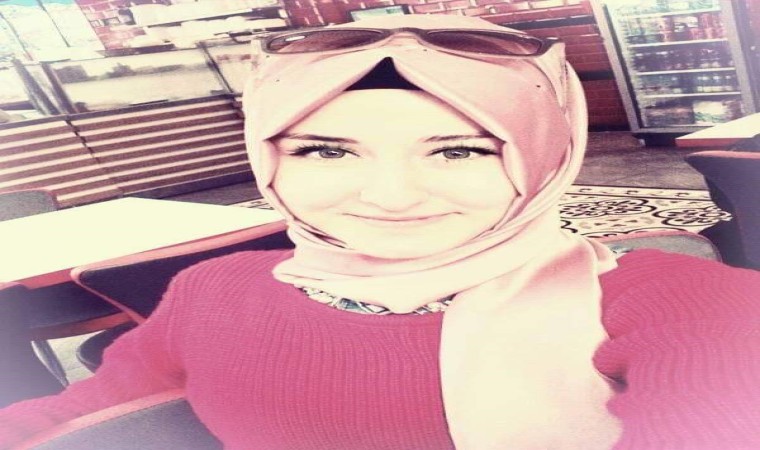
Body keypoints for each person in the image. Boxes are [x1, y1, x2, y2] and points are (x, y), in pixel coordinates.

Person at [1, 14, 759, 449]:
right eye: (326, 151)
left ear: (544, 157)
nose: (390, 196)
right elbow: (77, 415)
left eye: (459, 150)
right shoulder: (211, 292)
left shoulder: (692, 305)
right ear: (267, 159)